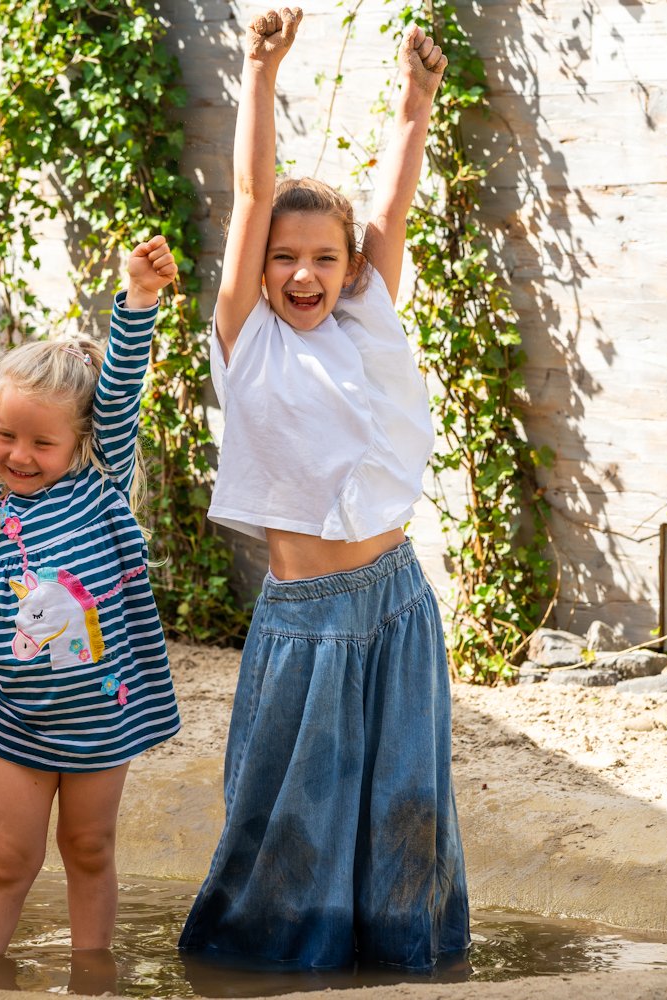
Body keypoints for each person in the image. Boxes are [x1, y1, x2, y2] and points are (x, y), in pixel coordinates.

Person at [177, 8, 471, 972]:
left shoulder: (364, 325)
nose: (303, 272)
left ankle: (400, 964)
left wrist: (414, 107)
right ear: (259, 268)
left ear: (350, 275)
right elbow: (254, 188)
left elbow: (389, 214)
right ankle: (254, 972)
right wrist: (259, 74)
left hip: (396, 605)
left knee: (405, 808)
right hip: (303, 617)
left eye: (325, 259)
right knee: (287, 814)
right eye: (283, 256)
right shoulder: (245, 340)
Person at [0, 236, 182, 962]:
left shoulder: (99, 483)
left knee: (89, 850)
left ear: (83, 442)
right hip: (16, 721)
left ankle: (93, 978)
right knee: (6, 862)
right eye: (5, 435)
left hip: (100, 721)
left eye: (40, 443)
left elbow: (119, 386)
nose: (19, 455)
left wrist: (140, 298)